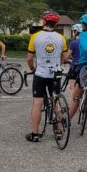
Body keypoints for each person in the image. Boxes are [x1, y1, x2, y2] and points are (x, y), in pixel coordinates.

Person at [25, 10, 68, 142]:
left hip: (40, 74)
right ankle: (60, 130)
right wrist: (57, 63)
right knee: (56, 102)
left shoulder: (35, 36)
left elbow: (29, 58)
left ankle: (35, 134)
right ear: (55, 23)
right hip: (55, 73)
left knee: (37, 103)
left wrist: (32, 68)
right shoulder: (61, 37)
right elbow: (65, 57)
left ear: (44, 21)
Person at [67, 24, 83, 103]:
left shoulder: (73, 43)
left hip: (75, 66)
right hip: (84, 65)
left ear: (76, 32)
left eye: (73, 31)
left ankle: (73, 103)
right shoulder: (86, 41)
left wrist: (65, 60)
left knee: (72, 85)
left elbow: (67, 56)